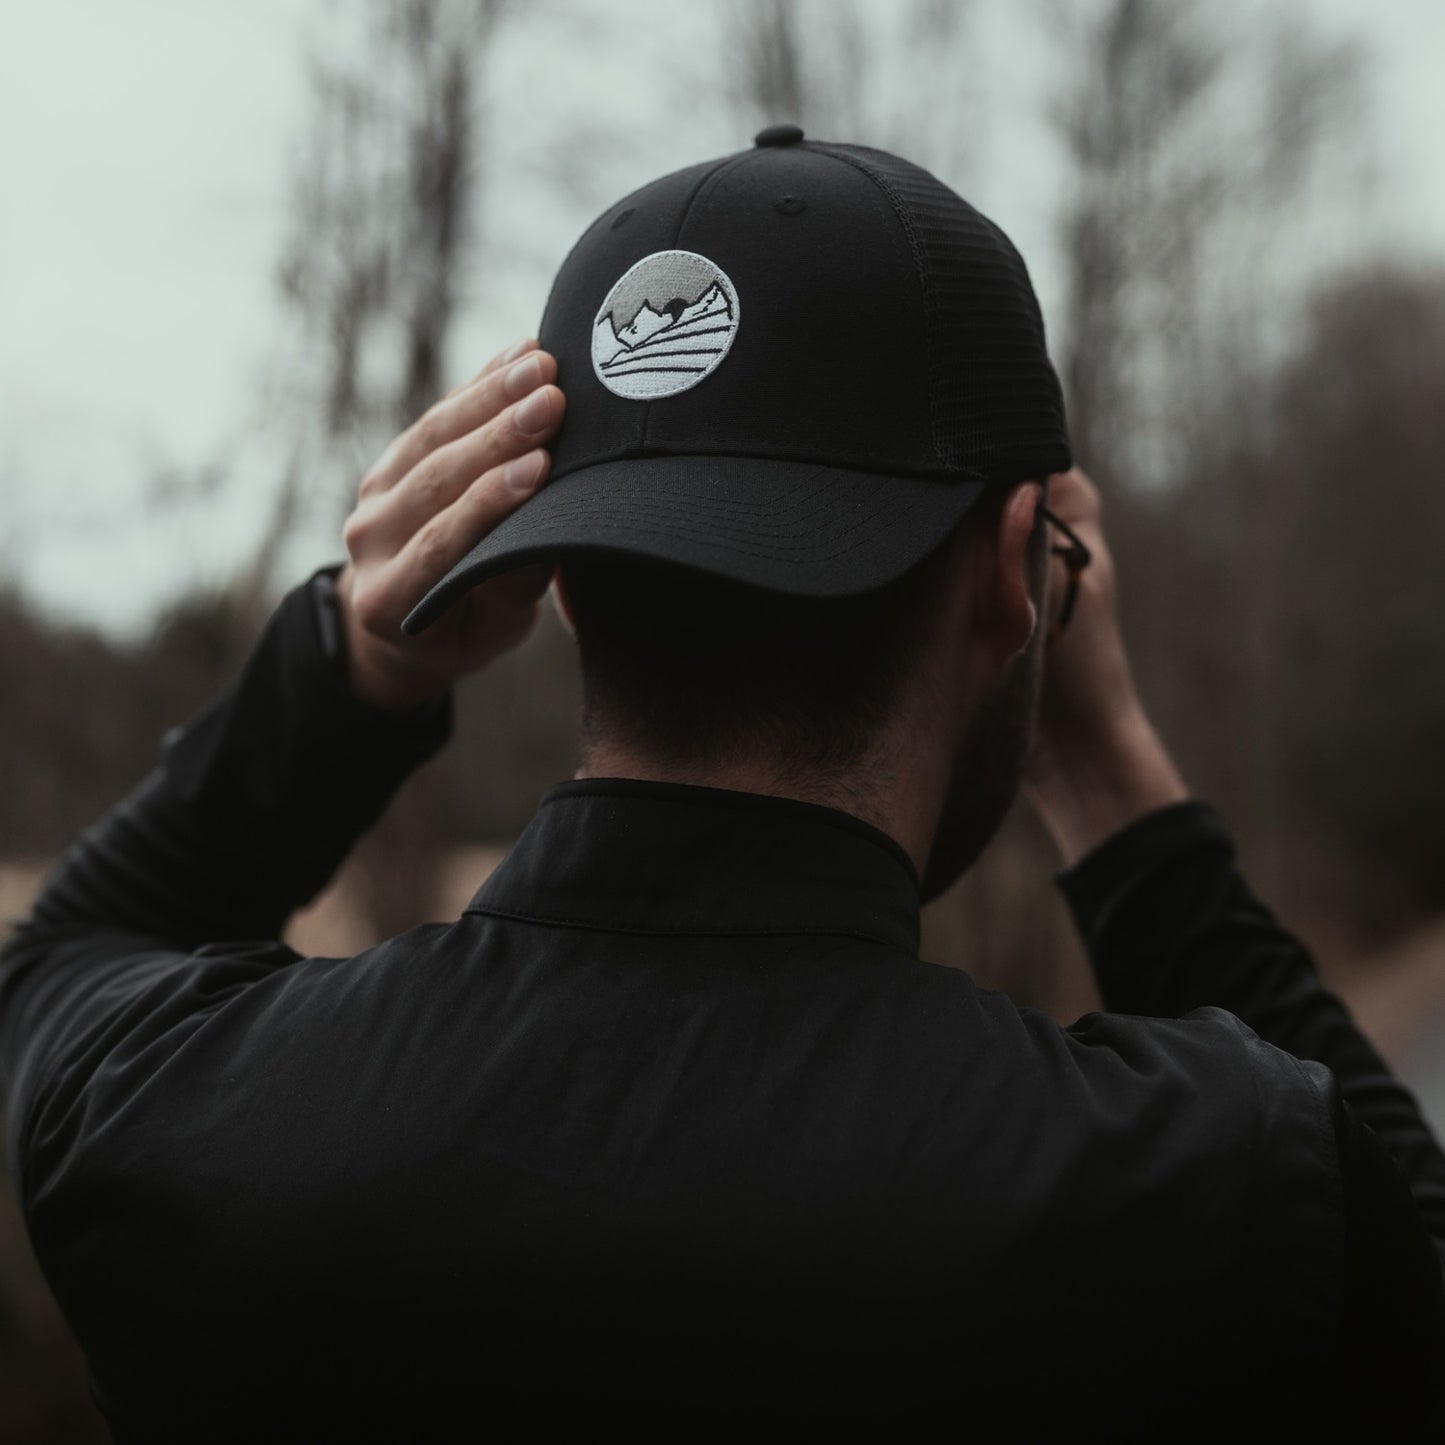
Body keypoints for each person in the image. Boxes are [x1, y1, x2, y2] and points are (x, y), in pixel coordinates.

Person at [2, 129, 1442, 1440]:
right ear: (1017, 579)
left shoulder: (176, 1117)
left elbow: (57, 961)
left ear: (562, 588)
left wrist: (346, 669)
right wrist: (1111, 777)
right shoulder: (1207, 1203)